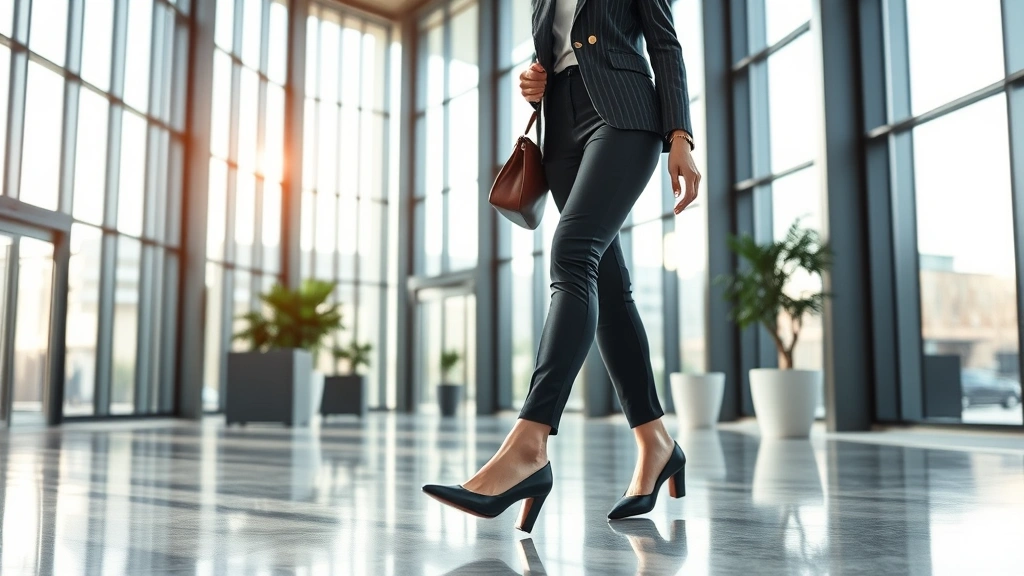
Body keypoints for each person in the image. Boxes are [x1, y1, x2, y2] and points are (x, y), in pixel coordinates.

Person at [423, 0, 701, 533]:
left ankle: (528, 444)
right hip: (562, 132)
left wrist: (680, 137)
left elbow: (665, 42)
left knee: (571, 253)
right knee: (610, 291)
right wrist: (536, 78)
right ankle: (657, 442)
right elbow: (556, 48)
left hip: (623, 116)